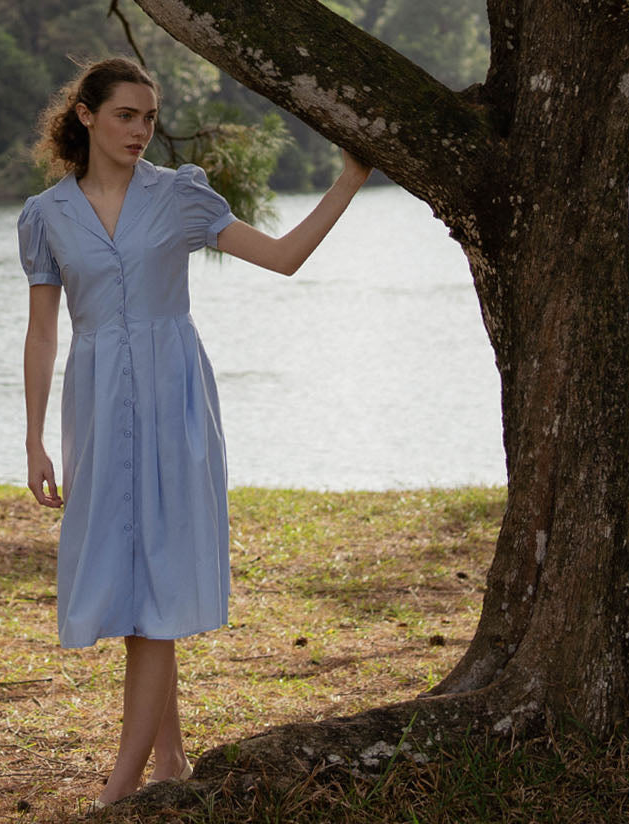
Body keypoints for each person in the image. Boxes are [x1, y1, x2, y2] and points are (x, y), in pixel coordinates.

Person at [18, 57, 370, 808]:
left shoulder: (179, 197)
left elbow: (282, 258)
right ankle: (172, 757)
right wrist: (34, 438)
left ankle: (120, 791)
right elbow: (42, 333)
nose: (141, 130)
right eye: (126, 116)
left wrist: (349, 180)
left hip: (173, 397)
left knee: (155, 580)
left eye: (149, 117)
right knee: (128, 576)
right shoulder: (46, 215)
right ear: (85, 116)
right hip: (96, 402)